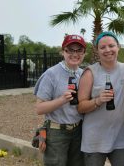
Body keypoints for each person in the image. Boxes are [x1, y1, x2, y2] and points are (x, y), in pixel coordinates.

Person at [77, 31, 124, 166]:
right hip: (95, 138)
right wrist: (97, 100)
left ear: (118, 47)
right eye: (102, 47)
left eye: (111, 46)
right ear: (97, 50)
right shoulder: (90, 72)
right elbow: (80, 106)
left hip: (120, 137)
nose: (108, 50)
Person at [34, 34, 86, 166]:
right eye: (70, 50)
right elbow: (39, 109)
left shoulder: (83, 74)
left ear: (84, 53)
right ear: (63, 52)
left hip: (79, 131)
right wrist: (62, 99)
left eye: (79, 50)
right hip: (57, 133)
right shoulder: (51, 74)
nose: (75, 54)